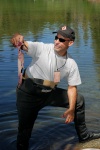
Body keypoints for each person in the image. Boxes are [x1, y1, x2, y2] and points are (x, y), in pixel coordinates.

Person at [11, 25, 100, 150]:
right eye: (56, 38)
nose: (57, 41)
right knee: (24, 130)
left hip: (49, 93)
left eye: (62, 40)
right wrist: (16, 38)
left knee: (78, 101)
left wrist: (71, 108)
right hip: (28, 93)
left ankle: (84, 136)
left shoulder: (71, 63)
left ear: (71, 43)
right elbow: (22, 44)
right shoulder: (42, 48)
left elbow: (72, 87)